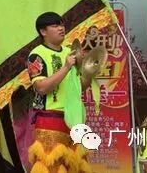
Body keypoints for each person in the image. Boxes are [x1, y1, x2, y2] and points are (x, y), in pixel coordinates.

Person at [26, 12, 91, 173]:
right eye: (55, 26)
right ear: (43, 31)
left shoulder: (69, 52)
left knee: (75, 166)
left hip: (73, 117)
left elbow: (79, 87)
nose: (61, 28)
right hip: (50, 117)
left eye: (61, 25)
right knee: (51, 166)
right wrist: (66, 67)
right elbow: (41, 88)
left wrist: (89, 73)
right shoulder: (36, 55)